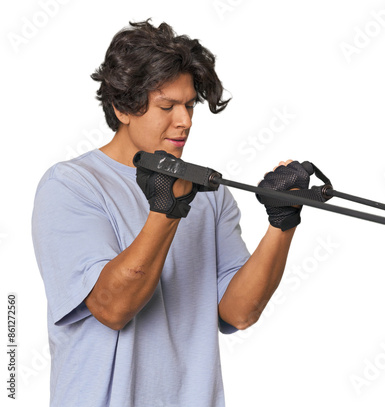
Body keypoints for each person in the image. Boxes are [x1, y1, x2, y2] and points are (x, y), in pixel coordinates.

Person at [32, 19, 312, 407]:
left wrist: (282, 223)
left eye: (189, 105)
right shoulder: (71, 185)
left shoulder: (210, 196)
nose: (185, 121)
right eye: (167, 106)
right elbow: (112, 308)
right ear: (122, 107)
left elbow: (238, 312)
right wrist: (168, 210)